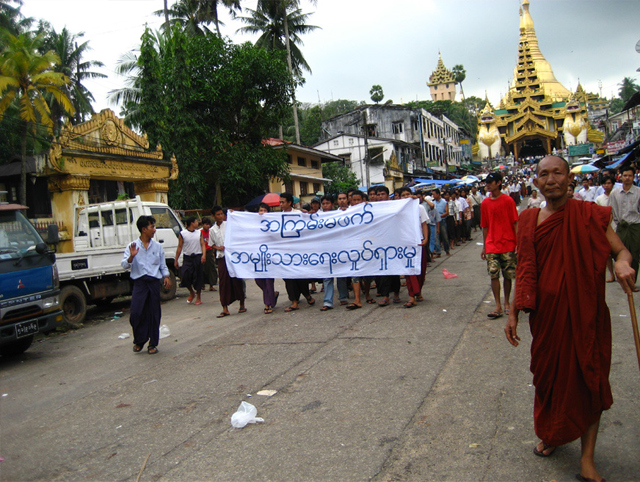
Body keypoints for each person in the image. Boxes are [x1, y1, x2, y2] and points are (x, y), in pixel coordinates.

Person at [505, 155, 635, 482]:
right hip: (547, 320)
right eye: (544, 174)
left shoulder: (590, 215)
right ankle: (553, 433)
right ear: (535, 181)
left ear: (569, 178)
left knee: (590, 379)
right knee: (549, 380)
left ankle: (587, 459)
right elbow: (524, 270)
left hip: (586, 315)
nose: (551, 180)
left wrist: (621, 263)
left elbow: (620, 251)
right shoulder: (530, 220)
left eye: (557, 173)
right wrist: (513, 312)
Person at [121, 215, 172, 355]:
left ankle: (153, 343)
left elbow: (162, 265)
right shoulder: (132, 246)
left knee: (154, 314)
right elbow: (124, 265)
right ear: (144, 229)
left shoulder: (157, 247)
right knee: (136, 313)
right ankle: (139, 340)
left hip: (154, 283)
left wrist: (166, 276)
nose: (154, 230)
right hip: (140, 283)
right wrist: (131, 256)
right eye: (152, 227)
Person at [480, 172, 518, 319]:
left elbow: (515, 221)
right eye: (487, 182)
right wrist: (484, 246)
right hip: (491, 244)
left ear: (498, 183)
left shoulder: (508, 201)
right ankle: (498, 304)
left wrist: (517, 243)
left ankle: (507, 302)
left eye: (490, 182)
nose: (487, 185)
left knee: (508, 275)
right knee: (493, 274)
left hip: (508, 243)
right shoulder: (485, 203)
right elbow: (485, 226)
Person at [280, 192, 316, 312]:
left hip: (299, 252)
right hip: (285, 253)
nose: (280, 204)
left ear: (290, 203)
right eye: (280, 202)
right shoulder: (277, 217)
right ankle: (294, 302)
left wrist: (308, 215)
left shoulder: (299, 214)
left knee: (300, 276)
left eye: (282, 202)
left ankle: (307, 296)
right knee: (288, 278)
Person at [210, 206, 246, 317]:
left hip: (233, 257)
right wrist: (218, 248)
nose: (220, 216)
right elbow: (211, 244)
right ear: (213, 216)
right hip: (222, 257)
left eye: (222, 214)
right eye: (218, 214)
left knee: (236, 279)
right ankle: (225, 307)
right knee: (223, 282)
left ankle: (242, 304)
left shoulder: (229, 225)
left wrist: (233, 214)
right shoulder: (212, 230)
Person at [610, 165, 640, 290]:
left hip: (635, 226)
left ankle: (632, 282)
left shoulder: (638, 191)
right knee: (620, 253)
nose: (627, 178)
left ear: (634, 177)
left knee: (634, 254)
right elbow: (611, 210)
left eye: (630, 176)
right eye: (625, 175)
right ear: (620, 176)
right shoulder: (615, 193)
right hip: (621, 226)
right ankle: (623, 279)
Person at [175, 216, 206, 305]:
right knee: (185, 276)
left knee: (198, 277)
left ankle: (198, 297)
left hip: (197, 256)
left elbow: (202, 244)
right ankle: (191, 292)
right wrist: (176, 259)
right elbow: (180, 247)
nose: (197, 223)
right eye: (196, 221)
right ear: (192, 223)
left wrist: (203, 255)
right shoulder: (183, 234)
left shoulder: (199, 233)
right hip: (187, 258)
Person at [255, 203, 279, 314]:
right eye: (261, 210)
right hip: (257, 257)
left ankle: (267, 304)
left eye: (265, 210)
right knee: (259, 280)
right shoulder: (252, 224)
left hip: (269, 256)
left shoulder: (273, 224)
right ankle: (272, 294)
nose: (262, 212)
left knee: (268, 281)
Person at [200, 217, 218, 292]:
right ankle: (202, 283)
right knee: (202, 268)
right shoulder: (199, 232)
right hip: (202, 252)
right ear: (203, 225)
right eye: (206, 224)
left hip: (210, 251)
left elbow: (213, 242)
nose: (207, 226)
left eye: (209, 225)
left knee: (211, 268)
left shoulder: (211, 232)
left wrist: (213, 252)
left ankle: (211, 285)